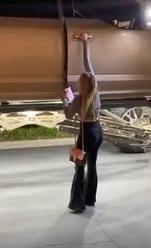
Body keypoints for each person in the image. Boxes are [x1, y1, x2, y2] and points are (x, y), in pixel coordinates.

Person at [63, 33, 103, 213]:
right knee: (92, 166)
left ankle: (77, 204)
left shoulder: (79, 98)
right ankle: (90, 199)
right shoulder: (95, 88)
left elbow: (69, 115)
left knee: (79, 168)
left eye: (79, 81)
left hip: (85, 134)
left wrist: (65, 100)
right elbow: (87, 63)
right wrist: (85, 42)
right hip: (97, 131)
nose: (78, 83)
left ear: (82, 85)